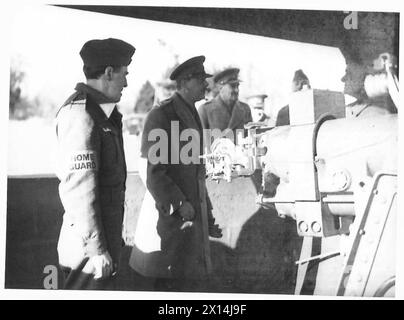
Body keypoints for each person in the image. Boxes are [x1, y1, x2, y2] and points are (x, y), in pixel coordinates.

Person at [129, 56, 222, 291]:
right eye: (201, 79)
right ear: (185, 82)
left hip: (191, 220)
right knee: (169, 283)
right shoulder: (162, 115)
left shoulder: (193, 114)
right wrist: (180, 203)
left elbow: (196, 173)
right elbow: (153, 172)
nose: (206, 85)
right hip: (171, 220)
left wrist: (207, 215)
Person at [55, 38, 135, 290]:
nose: (126, 82)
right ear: (109, 73)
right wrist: (96, 249)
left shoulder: (102, 113)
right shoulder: (82, 114)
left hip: (100, 249)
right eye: (124, 74)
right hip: (88, 253)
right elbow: (79, 189)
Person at [198, 67, 252, 144]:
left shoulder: (245, 109)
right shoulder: (205, 110)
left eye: (237, 86)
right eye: (233, 86)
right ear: (220, 87)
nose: (237, 90)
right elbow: (202, 145)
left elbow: (250, 139)